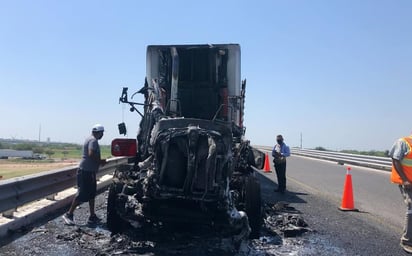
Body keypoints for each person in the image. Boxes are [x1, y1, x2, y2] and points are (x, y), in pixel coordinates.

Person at [63, 124, 106, 225]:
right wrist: (100, 161)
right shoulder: (93, 141)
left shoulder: (90, 139)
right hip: (85, 172)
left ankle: (92, 216)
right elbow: (91, 154)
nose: (102, 135)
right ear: (98, 132)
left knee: (91, 193)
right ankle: (69, 214)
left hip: (89, 172)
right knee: (82, 193)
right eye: (102, 133)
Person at [389, 133, 412, 253]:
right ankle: (407, 240)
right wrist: (404, 180)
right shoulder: (404, 142)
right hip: (407, 183)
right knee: (411, 207)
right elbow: (395, 159)